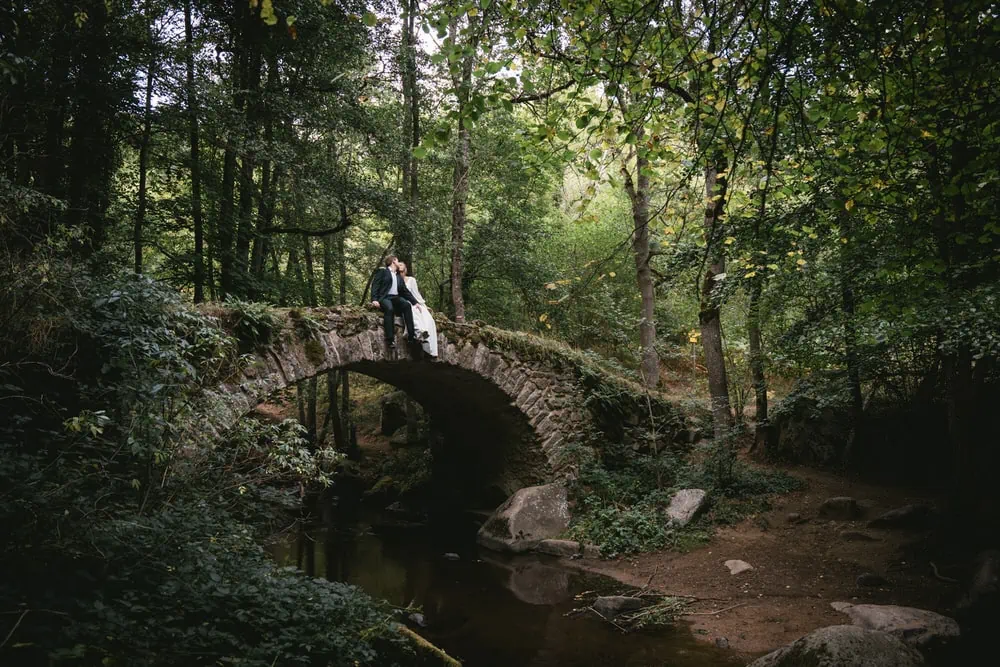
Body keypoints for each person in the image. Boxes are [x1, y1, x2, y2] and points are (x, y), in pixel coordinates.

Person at [370, 255, 418, 349]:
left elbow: (405, 291)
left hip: (395, 298)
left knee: (406, 305)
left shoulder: (398, 276)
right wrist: (374, 299)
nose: (399, 263)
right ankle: (390, 339)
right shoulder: (383, 271)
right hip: (384, 298)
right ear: (393, 261)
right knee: (389, 308)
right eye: (397, 261)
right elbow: (375, 285)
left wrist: (415, 302)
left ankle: (411, 336)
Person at [398, 262, 438, 358]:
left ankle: (428, 342)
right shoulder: (395, 278)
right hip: (403, 304)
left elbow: (416, 294)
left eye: (401, 264)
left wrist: (423, 305)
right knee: (412, 311)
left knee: (426, 316)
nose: (399, 265)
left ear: (406, 268)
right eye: (397, 264)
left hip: (413, 302)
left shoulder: (411, 280)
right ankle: (419, 332)